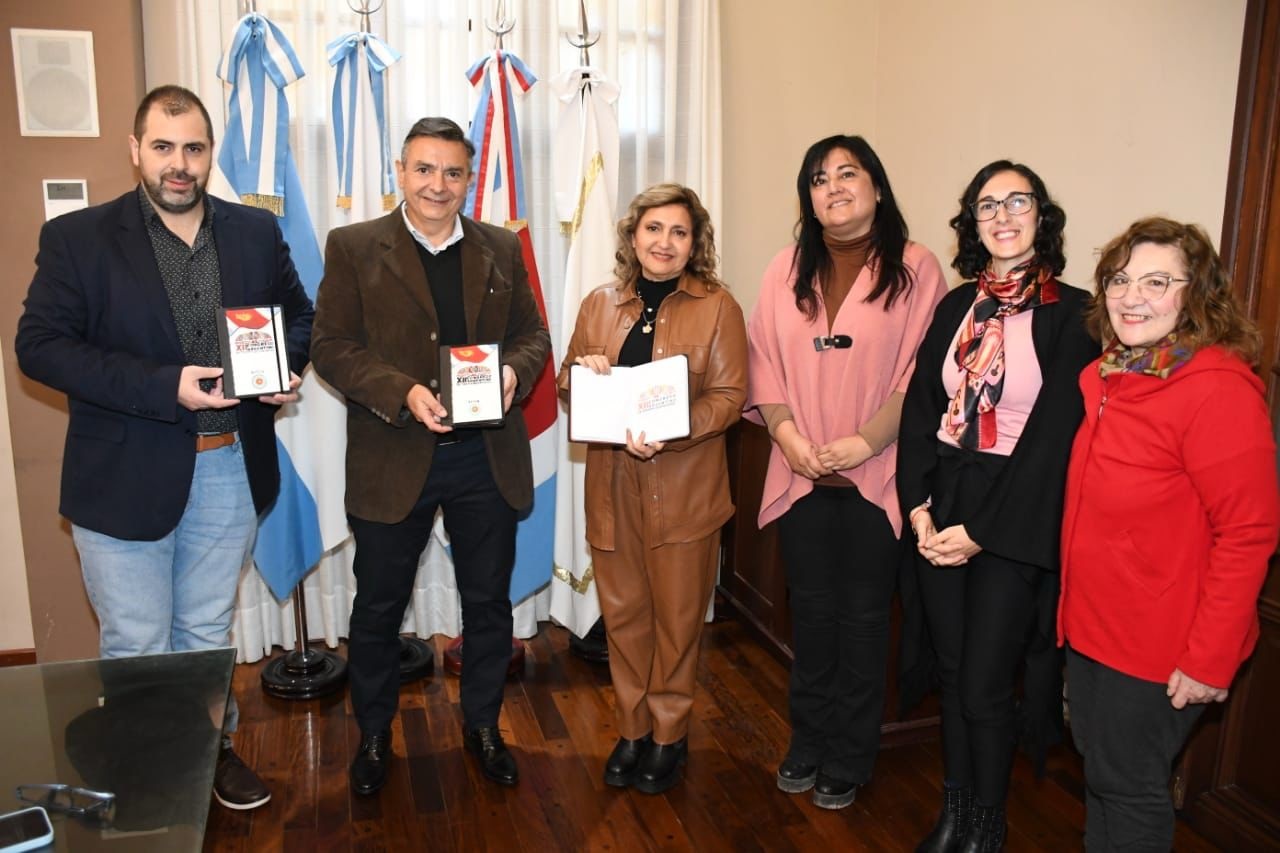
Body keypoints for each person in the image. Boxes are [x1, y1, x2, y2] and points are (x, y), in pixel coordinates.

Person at [15, 84, 314, 811]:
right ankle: (151, 781)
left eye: (193, 149)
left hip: (230, 467)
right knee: (138, 641)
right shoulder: (79, 238)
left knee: (204, 635)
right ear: (135, 150)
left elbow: (300, 317)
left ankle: (210, 754)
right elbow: (39, 346)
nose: (179, 164)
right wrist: (163, 385)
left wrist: (285, 368)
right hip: (121, 476)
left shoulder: (254, 231)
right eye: (162, 147)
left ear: (209, 154)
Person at [310, 116, 551, 795]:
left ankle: (483, 726)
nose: (437, 185)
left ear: (468, 179)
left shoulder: (501, 246)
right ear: (400, 172)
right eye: (423, 169)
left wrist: (514, 373)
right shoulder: (354, 246)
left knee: (488, 604)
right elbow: (330, 346)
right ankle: (374, 735)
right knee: (379, 608)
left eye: (451, 172)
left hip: (485, 457)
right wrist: (404, 391)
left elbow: (533, 336)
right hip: (394, 456)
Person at [1059, 217, 1279, 851]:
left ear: (1197, 295)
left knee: (1129, 788)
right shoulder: (1110, 376)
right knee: (1102, 774)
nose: (1132, 297)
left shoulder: (1216, 390)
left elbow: (1249, 533)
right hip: (1093, 625)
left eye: (1157, 282)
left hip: (1162, 642)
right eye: (1120, 280)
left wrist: (1209, 658)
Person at [897, 160, 1097, 851]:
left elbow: (1054, 439)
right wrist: (918, 507)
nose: (1003, 215)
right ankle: (954, 811)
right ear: (972, 223)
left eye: (1018, 201)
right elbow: (921, 409)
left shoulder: (1075, 314)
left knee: (985, 682)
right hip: (943, 499)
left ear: (1042, 216)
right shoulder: (957, 306)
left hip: (1013, 515)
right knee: (952, 674)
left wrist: (980, 531)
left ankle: (988, 822)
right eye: (987, 205)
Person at [745, 135, 948, 810]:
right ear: (807, 199)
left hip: (877, 475)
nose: (832, 187)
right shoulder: (784, 268)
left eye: (847, 173)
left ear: (877, 188)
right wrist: (787, 436)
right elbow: (761, 358)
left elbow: (925, 372)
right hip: (801, 471)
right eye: (818, 178)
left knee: (863, 623)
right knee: (810, 617)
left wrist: (865, 441)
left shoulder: (917, 267)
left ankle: (851, 754)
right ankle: (808, 740)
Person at [558, 183, 747, 794]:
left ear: (695, 244)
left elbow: (729, 397)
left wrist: (674, 429)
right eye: (654, 229)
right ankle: (632, 729)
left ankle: (669, 734)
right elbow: (565, 383)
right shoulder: (598, 304)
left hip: (686, 486)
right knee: (625, 617)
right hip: (611, 484)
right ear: (633, 236)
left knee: (678, 620)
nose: (665, 242)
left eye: (679, 232)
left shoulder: (718, 307)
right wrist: (581, 373)